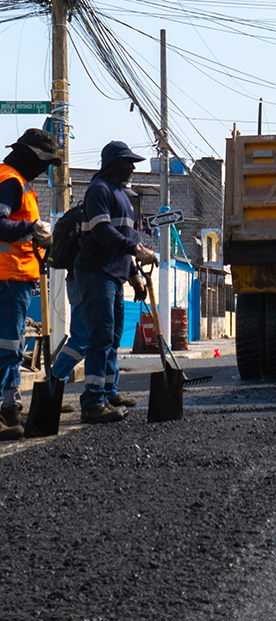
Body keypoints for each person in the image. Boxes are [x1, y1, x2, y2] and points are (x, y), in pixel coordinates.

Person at [75, 141, 157, 423]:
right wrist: (135, 251)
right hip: (96, 272)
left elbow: (126, 239)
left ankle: (109, 392)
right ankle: (93, 402)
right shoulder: (99, 190)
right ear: (113, 163)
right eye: (128, 162)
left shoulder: (122, 195)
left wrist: (134, 274)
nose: (133, 167)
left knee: (112, 337)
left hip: (115, 274)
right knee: (100, 336)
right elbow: (102, 232)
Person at [0, 129, 58, 439]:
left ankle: (10, 408)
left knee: (10, 347)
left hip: (15, 276)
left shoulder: (16, 182)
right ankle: (4, 409)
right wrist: (32, 227)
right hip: (8, 277)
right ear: (28, 155)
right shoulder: (10, 181)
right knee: (7, 347)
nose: (45, 169)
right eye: (43, 161)